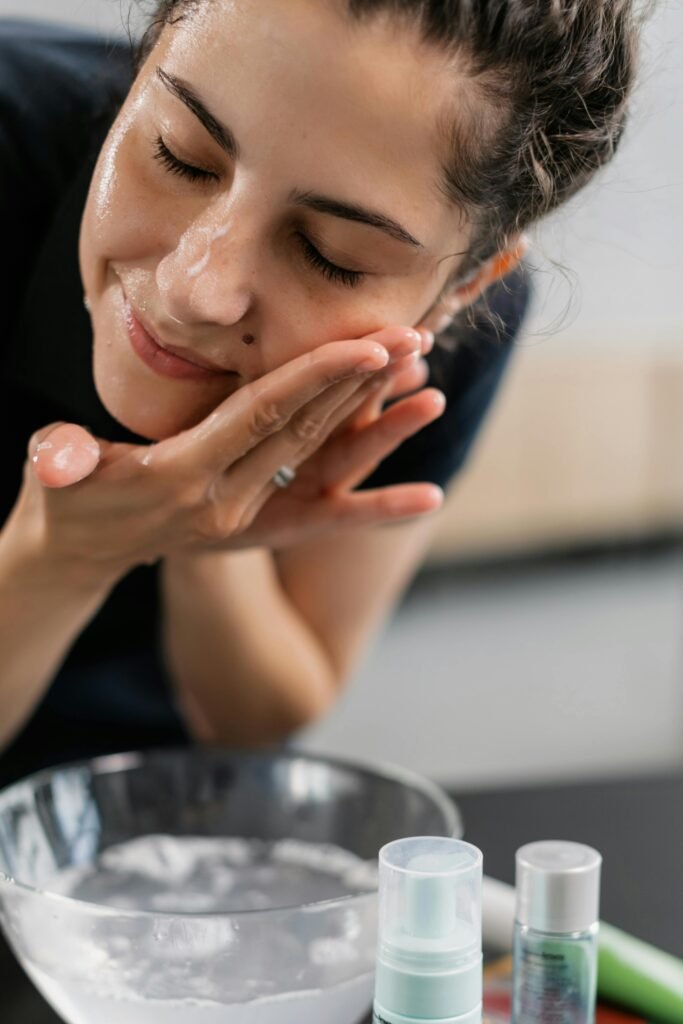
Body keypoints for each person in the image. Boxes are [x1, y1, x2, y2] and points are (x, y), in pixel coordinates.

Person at [0, 1, 643, 787]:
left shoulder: (442, 348)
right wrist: (61, 558)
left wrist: (205, 532)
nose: (195, 287)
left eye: (330, 255)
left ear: (461, 287)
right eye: (181, 156)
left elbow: (250, 720)